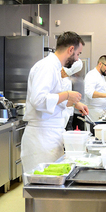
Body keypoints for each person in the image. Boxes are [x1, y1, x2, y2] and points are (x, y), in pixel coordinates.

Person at [21, 31, 89, 174]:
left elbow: (54, 99)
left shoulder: (56, 68)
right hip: (41, 139)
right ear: (71, 49)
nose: (77, 59)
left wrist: (75, 103)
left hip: (51, 137)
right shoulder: (46, 66)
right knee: (41, 189)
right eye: (78, 54)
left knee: (50, 189)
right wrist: (67, 95)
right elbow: (39, 100)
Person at [84, 55, 106, 121]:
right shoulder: (92, 75)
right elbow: (89, 92)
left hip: (101, 111)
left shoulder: (100, 76)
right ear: (100, 64)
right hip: (94, 112)